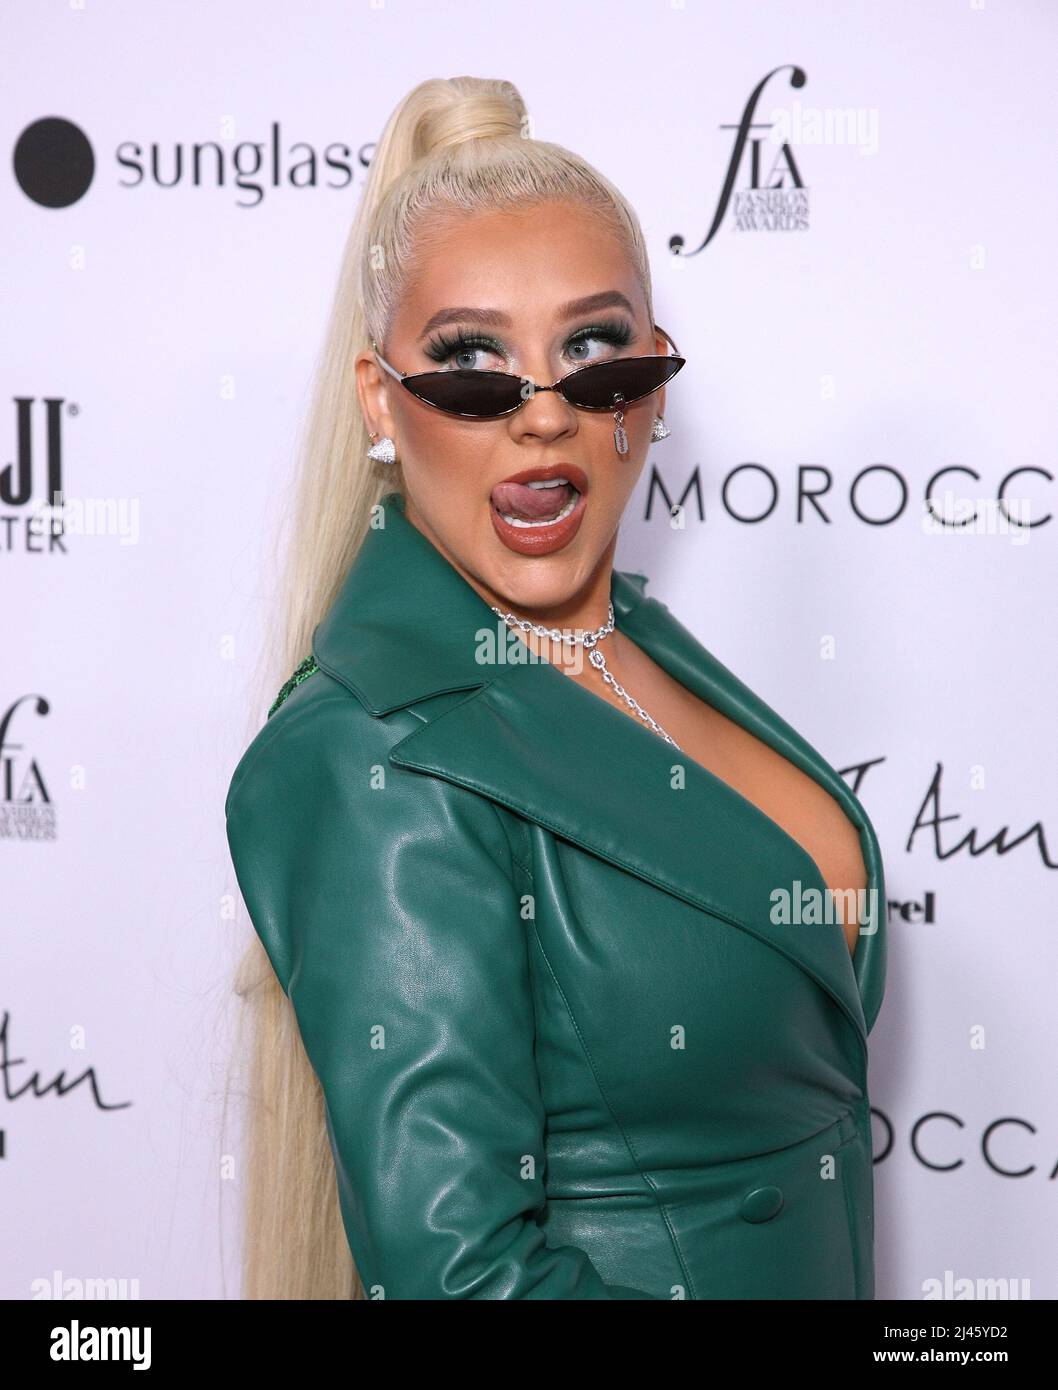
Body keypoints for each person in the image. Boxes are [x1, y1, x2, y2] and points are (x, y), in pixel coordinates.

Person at [224, 74, 887, 1300]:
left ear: (652, 382)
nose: (542, 416)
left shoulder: (641, 640)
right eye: (471, 364)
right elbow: (464, 1282)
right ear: (381, 402)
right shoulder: (370, 753)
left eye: (590, 354)